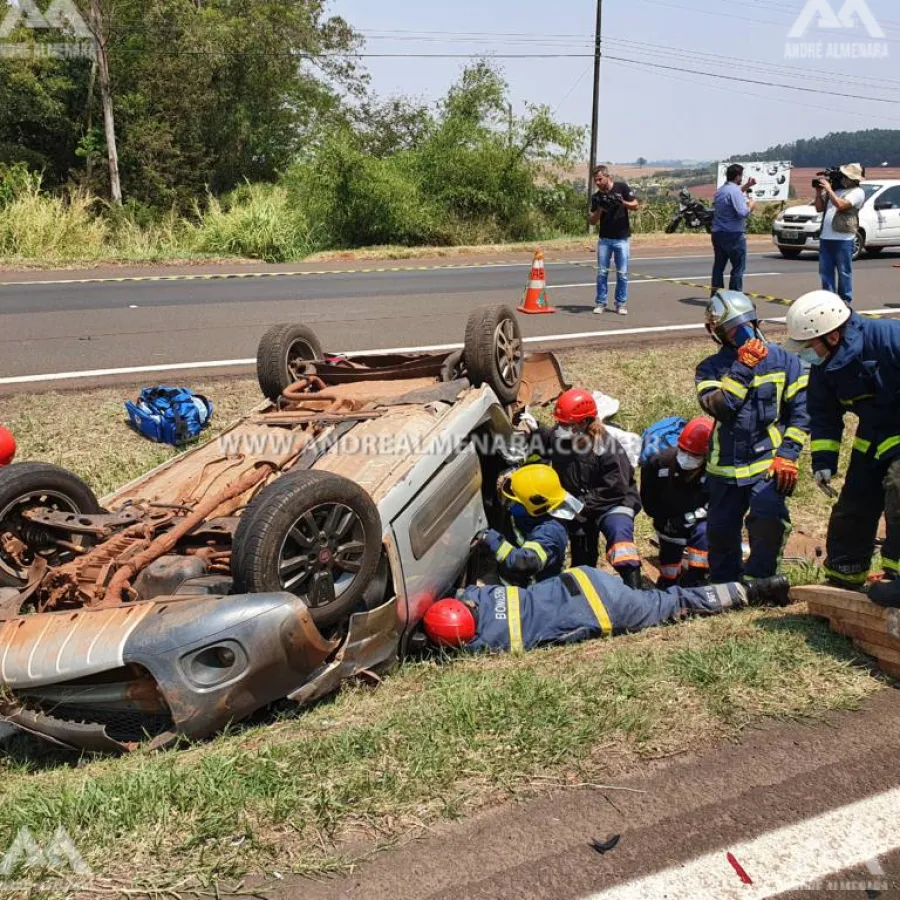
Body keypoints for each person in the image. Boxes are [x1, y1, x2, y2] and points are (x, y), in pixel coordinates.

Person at [784, 290, 900, 589]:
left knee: (898, 490)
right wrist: (823, 462)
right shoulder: (826, 367)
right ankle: (844, 576)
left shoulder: (889, 339)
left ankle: (898, 578)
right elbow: (824, 414)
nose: (807, 353)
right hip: (875, 434)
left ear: (832, 337)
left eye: (810, 346)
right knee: (854, 503)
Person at [696, 291, 810, 583]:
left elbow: (802, 412)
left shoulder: (785, 361)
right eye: (731, 330)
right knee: (720, 530)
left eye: (744, 325)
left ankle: (760, 579)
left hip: (767, 463)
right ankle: (726, 586)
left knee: (769, 518)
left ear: (755, 321)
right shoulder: (710, 369)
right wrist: (742, 369)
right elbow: (722, 407)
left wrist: (788, 453)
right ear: (718, 333)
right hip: (724, 467)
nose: (740, 335)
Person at [422, 567, 791, 653]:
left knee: (677, 604)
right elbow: (466, 590)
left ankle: (754, 592)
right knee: (665, 596)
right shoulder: (480, 599)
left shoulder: (486, 642)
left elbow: (454, 652)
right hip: (585, 579)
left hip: (605, 609)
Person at [531, 388, 643, 588]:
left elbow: (615, 488)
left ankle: (635, 588)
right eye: (559, 423)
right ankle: (585, 587)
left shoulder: (607, 449)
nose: (560, 427)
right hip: (580, 505)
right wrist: (533, 428)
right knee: (582, 554)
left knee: (620, 541)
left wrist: (579, 506)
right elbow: (546, 439)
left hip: (613, 503)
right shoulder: (562, 439)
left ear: (583, 423)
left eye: (565, 424)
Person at [473, 464, 579, 588]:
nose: (510, 505)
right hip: (510, 582)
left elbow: (524, 563)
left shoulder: (550, 533)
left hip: (531, 594)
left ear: (535, 506)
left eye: (516, 502)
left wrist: (492, 539)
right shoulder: (531, 515)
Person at [640, 416, 714, 588]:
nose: (687, 458)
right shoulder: (658, 463)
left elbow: (717, 503)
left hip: (700, 522)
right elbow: (648, 499)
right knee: (669, 567)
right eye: (683, 450)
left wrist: (692, 517)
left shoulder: (714, 471)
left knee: (704, 533)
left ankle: (697, 576)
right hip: (668, 521)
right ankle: (670, 581)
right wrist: (666, 520)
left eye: (694, 455)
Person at [589, 165, 640, 316]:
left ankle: (621, 303)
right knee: (602, 273)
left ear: (607, 177)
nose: (597, 183)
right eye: (595, 180)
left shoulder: (621, 187)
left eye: (599, 179)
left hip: (622, 239)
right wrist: (600, 209)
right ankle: (601, 303)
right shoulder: (597, 197)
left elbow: (636, 205)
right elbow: (592, 221)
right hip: (604, 239)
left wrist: (622, 202)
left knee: (622, 274)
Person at [814, 163, 866, 304]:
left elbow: (841, 206)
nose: (842, 179)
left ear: (853, 179)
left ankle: (845, 301)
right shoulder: (835, 191)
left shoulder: (857, 192)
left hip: (844, 238)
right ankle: (829, 300)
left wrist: (829, 190)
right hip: (826, 237)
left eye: (845, 176)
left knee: (844, 272)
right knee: (825, 272)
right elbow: (818, 208)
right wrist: (819, 192)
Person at [711, 164, 757, 295]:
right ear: (737, 176)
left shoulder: (721, 190)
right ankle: (734, 297)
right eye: (741, 175)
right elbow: (742, 213)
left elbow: (733, 194)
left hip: (718, 233)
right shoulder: (735, 191)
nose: (742, 178)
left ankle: (717, 295)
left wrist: (747, 186)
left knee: (718, 267)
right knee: (738, 268)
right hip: (733, 235)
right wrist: (751, 206)